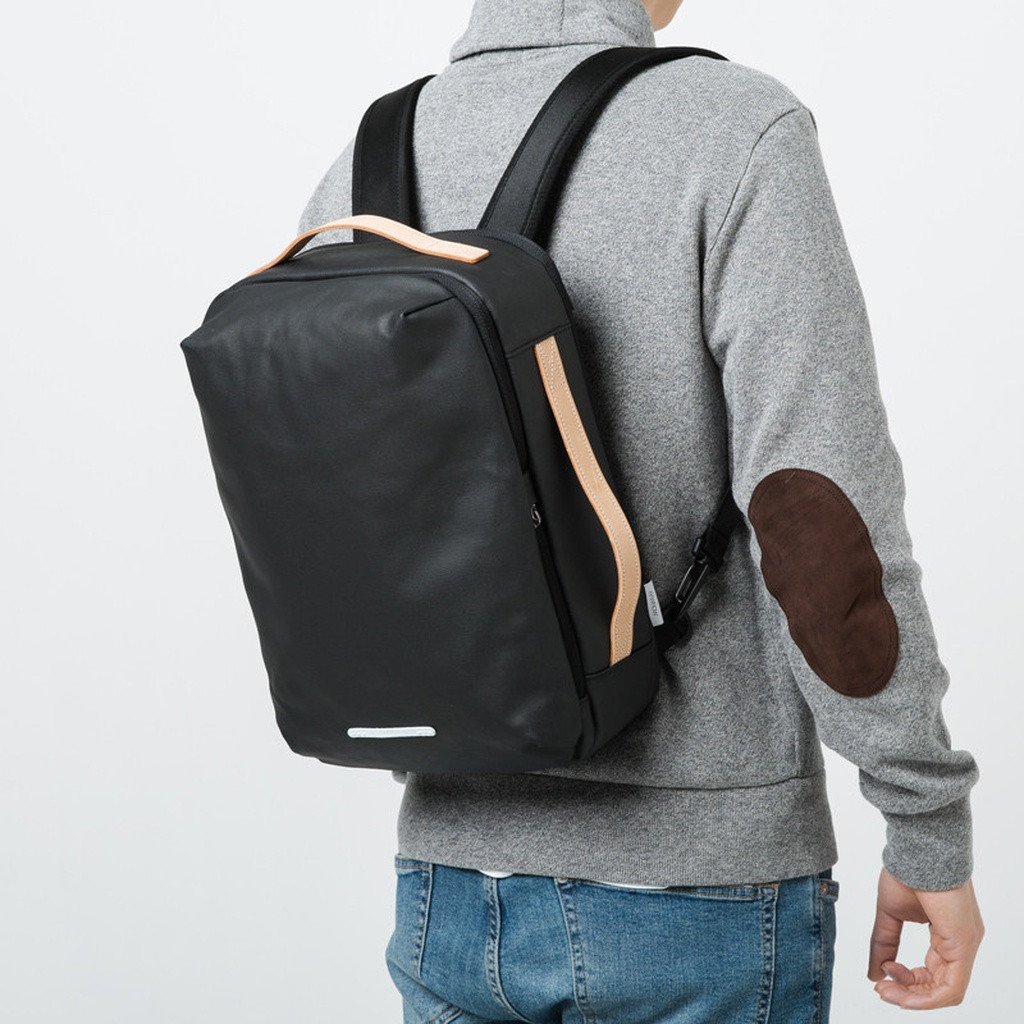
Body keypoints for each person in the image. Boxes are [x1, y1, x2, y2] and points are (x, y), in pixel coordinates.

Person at [300, 0, 983, 1019]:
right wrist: (924, 816)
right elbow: (818, 516)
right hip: (700, 895)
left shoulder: (360, 170)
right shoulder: (733, 130)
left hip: (449, 886)